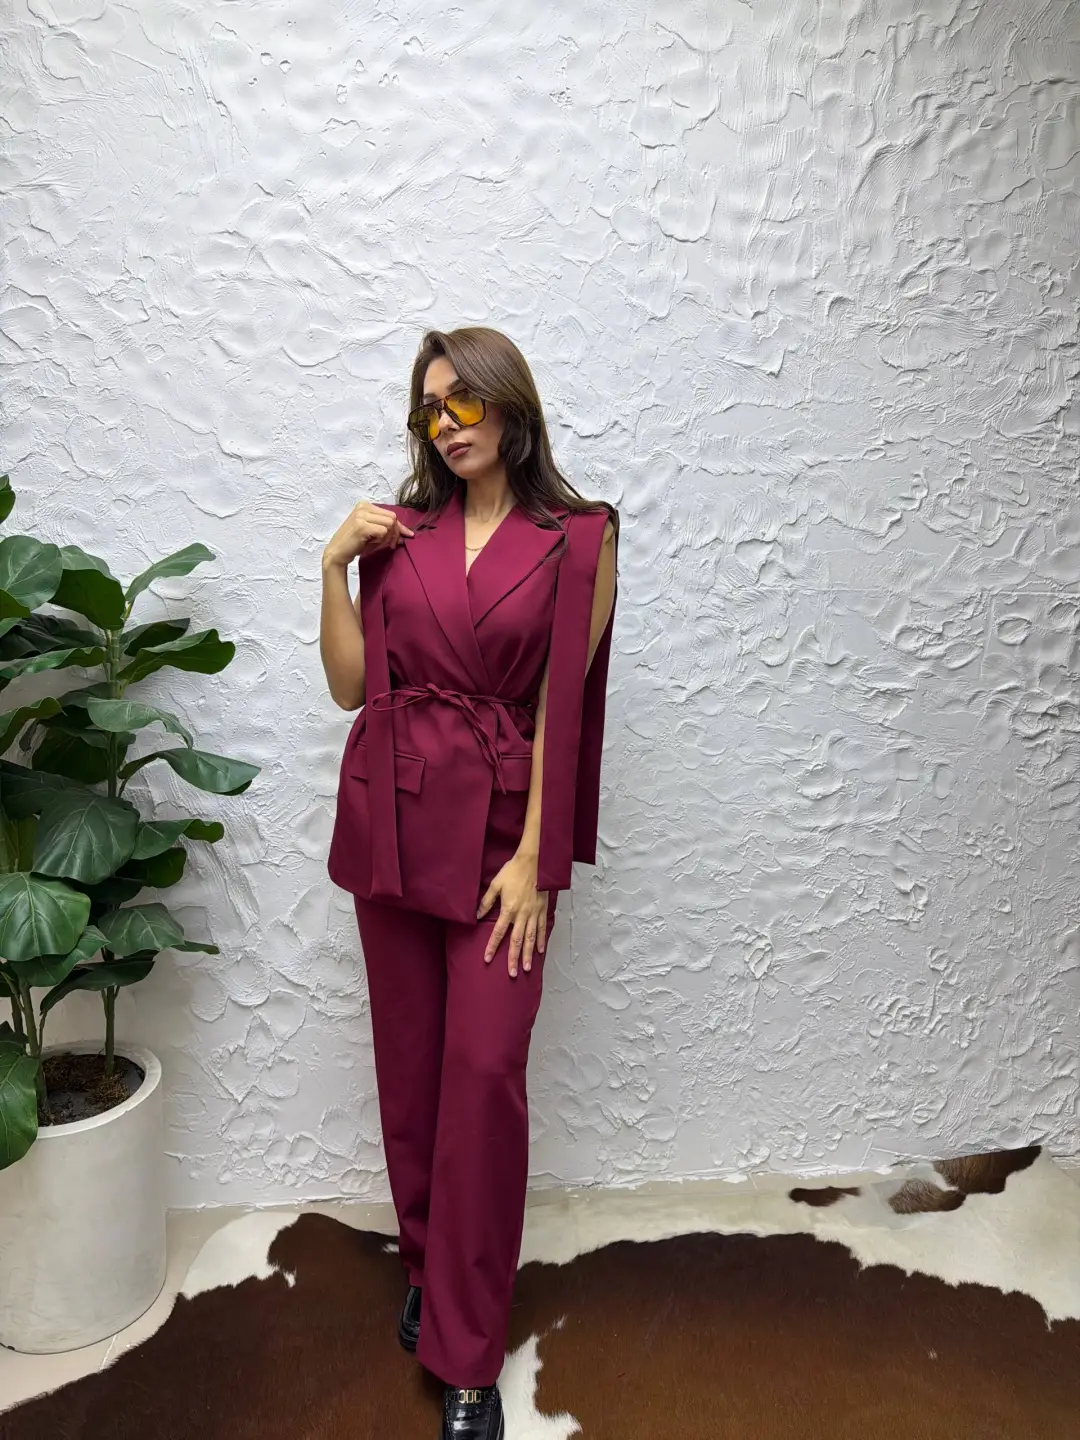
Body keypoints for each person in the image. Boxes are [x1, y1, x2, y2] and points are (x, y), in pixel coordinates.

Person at [320, 325, 618, 1440]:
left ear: (510, 404)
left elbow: (561, 711)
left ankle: (468, 1358)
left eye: (463, 402)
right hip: (394, 822)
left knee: (484, 1076)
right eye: (429, 409)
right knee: (411, 1074)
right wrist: (331, 567)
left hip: (501, 840)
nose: (445, 425)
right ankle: (426, 1266)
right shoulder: (396, 537)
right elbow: (351, 686)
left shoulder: (579, 538)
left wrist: (537, 862)